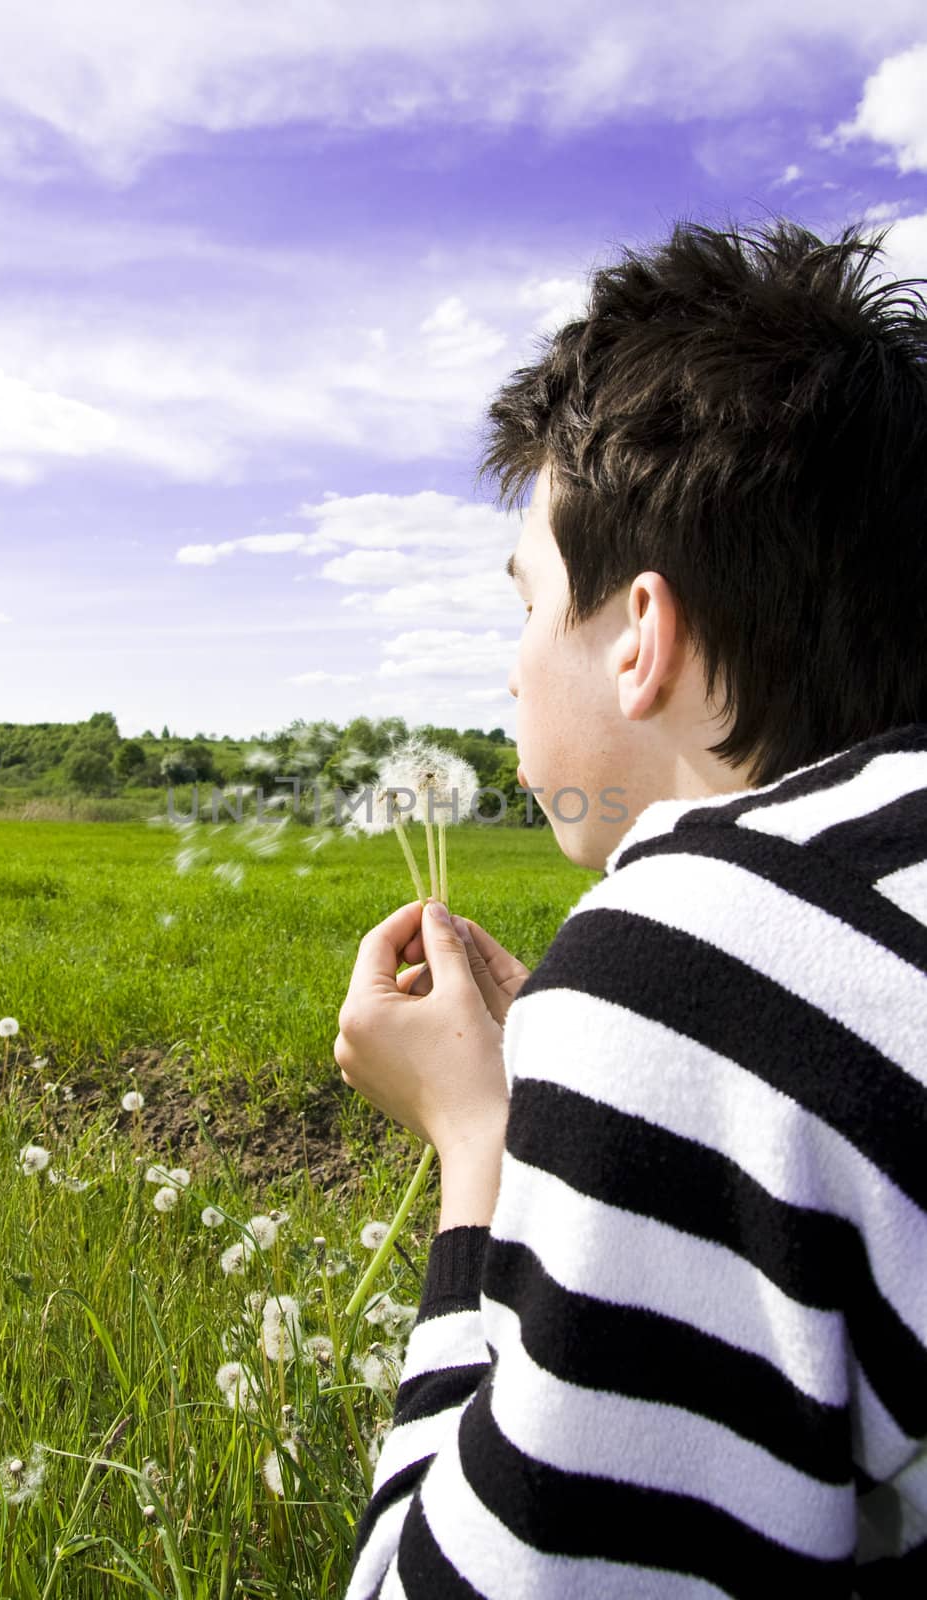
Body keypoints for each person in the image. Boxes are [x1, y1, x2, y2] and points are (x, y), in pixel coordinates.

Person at [333, 216, 927, 1597]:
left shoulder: (687, 962)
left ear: (640, 639)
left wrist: (482, 1140)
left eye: (527, 602)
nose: (509, 672)